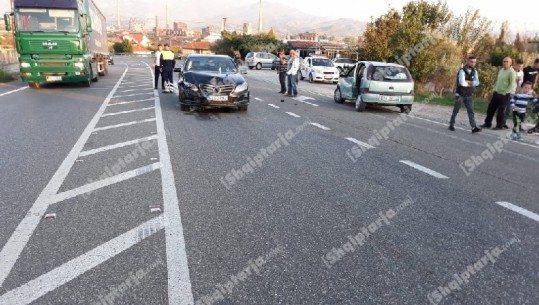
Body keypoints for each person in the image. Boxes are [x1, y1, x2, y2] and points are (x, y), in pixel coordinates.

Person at [480, 57, 516, 130]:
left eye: (507, 62)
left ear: (510, 63)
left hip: (504, 94)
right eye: (504, 61)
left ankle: (499, 125)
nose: (505, 63)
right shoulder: (501, 70)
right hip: (497, 92)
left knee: (501, 110)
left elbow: (511, 84)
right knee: (491, 108)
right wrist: (493, 90)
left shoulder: (511, 72)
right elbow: (497, 81)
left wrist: (505, 92)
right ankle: (487, 123)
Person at [449, 56, 481, 133]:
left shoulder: (475, 71)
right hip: (460, 94)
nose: (473, 64)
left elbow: (477, 82)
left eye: (474, 62)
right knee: (456, 110)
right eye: (471, 62)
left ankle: (473, 127)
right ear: (467, 61)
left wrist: (470, 82)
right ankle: (451, 124)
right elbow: (462, 83)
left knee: (471, 111)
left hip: (469, 95)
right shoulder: (462, 71)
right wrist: (471, 83)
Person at [503, 58, 525, 128]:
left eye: (521, 66)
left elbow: (520, 84)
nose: (520, 68)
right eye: (518, 66)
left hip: (514, 93)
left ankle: (503, 122)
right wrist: (515, 78)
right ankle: (500, 122)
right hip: (507, 91)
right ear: (515, 65)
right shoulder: (510, 70)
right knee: (503, 108)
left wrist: (518, 92)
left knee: (509, 109)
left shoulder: (521, 73)